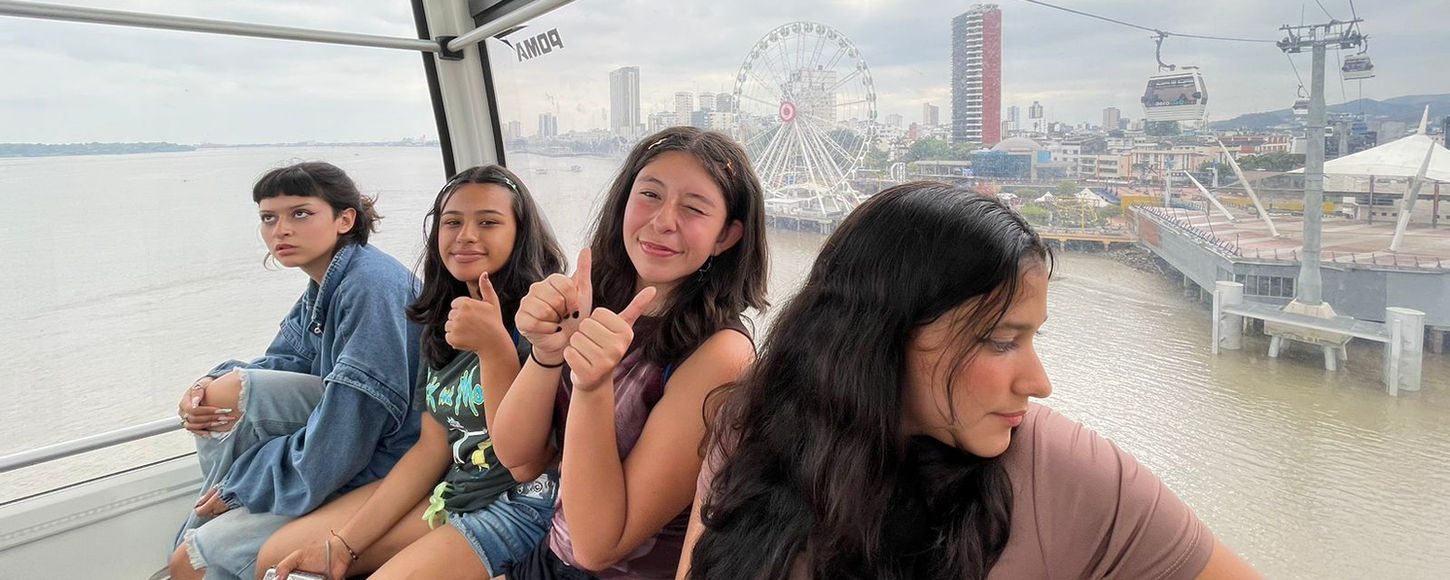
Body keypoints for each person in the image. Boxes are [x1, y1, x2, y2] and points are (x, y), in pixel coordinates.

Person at [679, 182, 1260, 580]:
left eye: (1034, 338)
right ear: (882, 337)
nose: (1039, 382)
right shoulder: (750, 425)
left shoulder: (1060, 469)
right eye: (1002, 341)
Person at [255, 165, 567, 579]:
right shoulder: (442, 322)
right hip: (456, 489)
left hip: (518, 499)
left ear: (520, 232)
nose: (466, 235)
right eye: (452, 222)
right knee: (276, 558)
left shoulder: (539, 321)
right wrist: (343, 545)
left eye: (488, 222)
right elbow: (431, 448)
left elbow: (527, 460)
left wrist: (494, 346)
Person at [491, 126, 769, 579]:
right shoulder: (595, 301)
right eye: (650, 195)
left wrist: (591, 383)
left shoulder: (721, 355)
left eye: (694, 208)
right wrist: (545, 352)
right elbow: (516, 455)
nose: (662, 221)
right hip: (549, 554)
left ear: (726, 236)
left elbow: (598, 545)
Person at [169, 161, 422, 580]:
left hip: (390, 458)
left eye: (300, 213)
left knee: (192, 562)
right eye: (269, 218)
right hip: (346, 448)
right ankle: (212, 516)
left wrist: (244, 484)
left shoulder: (369, 287)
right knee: (222, 395)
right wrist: (205, 384)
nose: (279, 230)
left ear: (345, 219)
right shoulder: (328, 283)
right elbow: (284, 361)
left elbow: (350, 428)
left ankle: (212, 519)